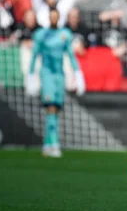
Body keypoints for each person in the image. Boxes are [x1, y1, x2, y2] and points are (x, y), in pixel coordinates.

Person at [26, 8, 86, 158]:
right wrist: (31, 75)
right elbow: (34, 55)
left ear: (58, 18)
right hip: (47, 74)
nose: (53, 19)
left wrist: (78, 75)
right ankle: (54, 144)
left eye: (55, 17)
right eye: (51, 16)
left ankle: (48, 144)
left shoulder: (65, 34)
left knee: (56, 109)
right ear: (48, 17)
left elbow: (71, 55)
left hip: (60, 75)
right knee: (51, 107)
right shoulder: (41, 35)